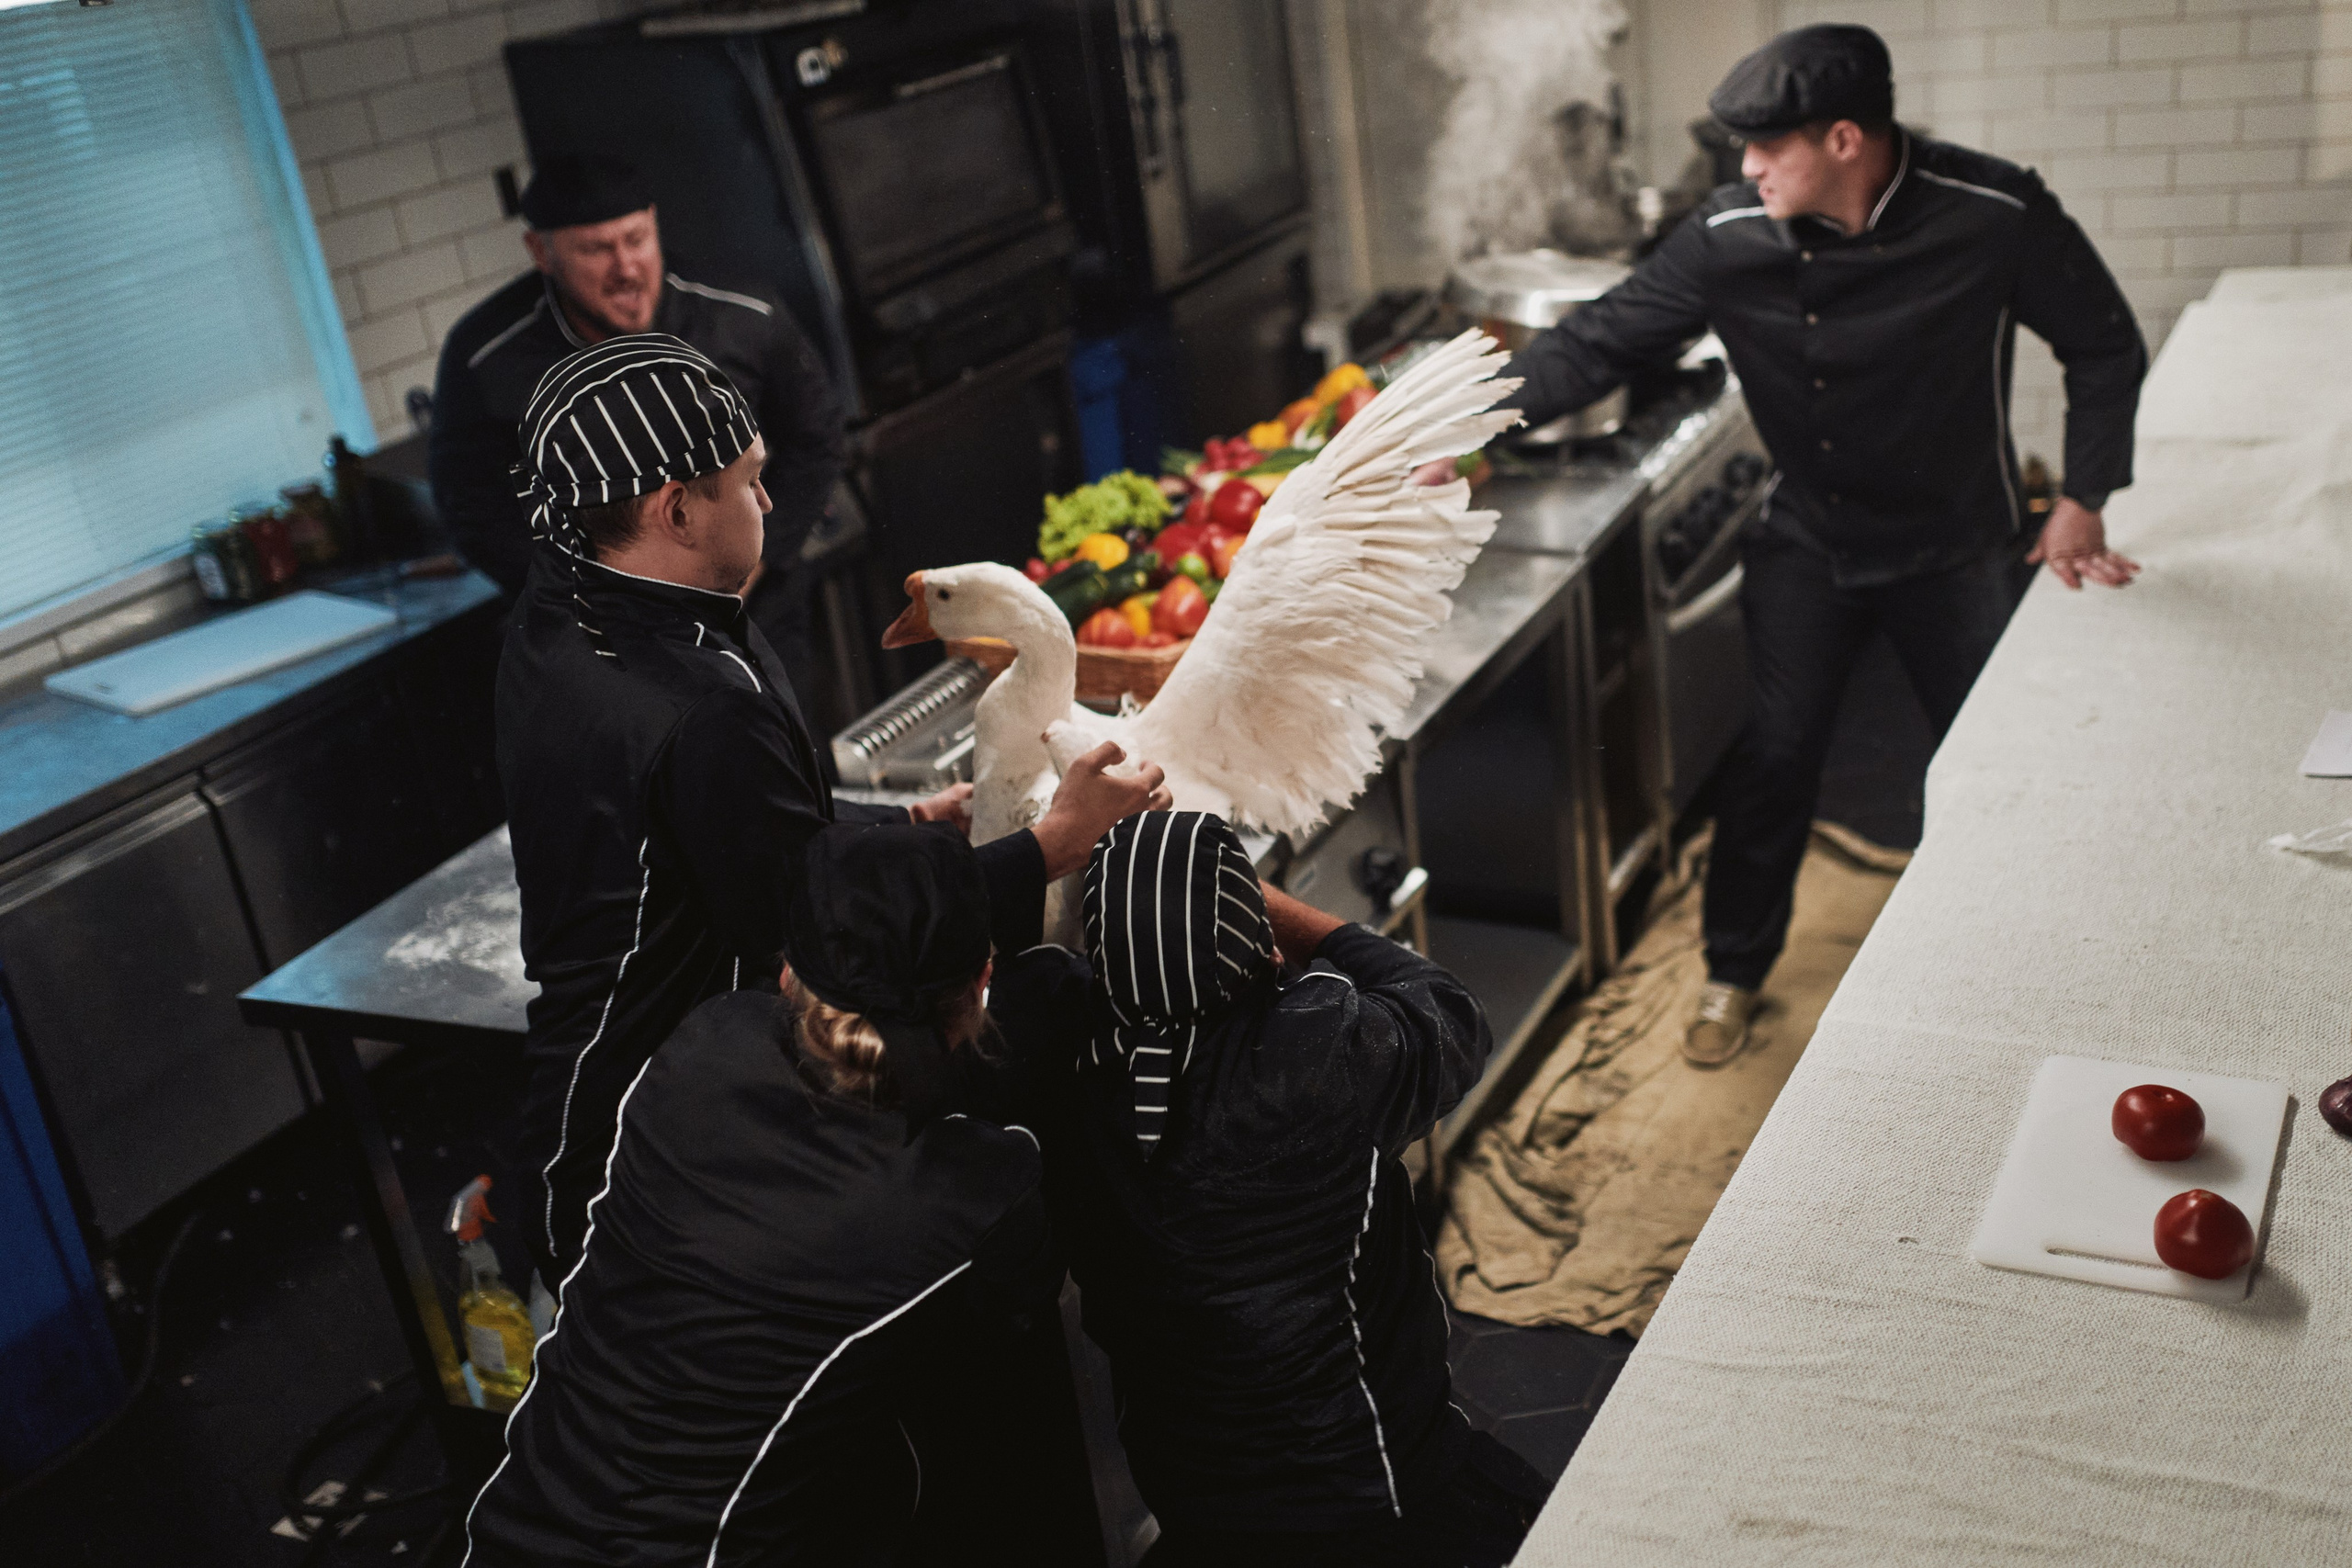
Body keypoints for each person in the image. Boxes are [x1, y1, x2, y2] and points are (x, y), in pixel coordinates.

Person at [1487, 25, 2149, 1065]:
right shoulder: (1728, 233)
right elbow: (1597, 341)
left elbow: (2103, 344)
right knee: (1776, 755)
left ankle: (2024, 967)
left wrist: (2083, 498)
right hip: (1812, 536)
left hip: (1958, 545)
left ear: (1845, 139)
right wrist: (1461, 426)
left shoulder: (1992, 211)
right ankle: (1733, 971)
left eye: (1767, 146)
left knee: (1991, 764)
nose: (1747, 168)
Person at [498, 333, 1168, 1292]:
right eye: (749, 480)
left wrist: (903, 826)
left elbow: (746, 839)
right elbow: (832, 929)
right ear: (675, 508)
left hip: (595, 1109)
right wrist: (1052, 845)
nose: (771, 502)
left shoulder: (565, 610)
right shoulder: (698, 704)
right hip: (657, 1139)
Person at [463, 821, 1091, 1566]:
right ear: (984, 979)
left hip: (508, 1531)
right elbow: (1017, 1300)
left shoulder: (703, 1042)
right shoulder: (975, 1192)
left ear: (790, 972)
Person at [994, 812, 1549, 1567]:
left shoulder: (1057, 1055)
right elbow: (1446, 1007)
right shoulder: (1322, 1047)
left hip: (1199, 1509)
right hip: (1376, 1496)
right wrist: (1271, 901)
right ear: (1257, 942)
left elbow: (1029, 980)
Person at [429, 153, 843, 691]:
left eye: (637, 239)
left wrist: (753, 564)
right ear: (541, 252)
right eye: (596, 249)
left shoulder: (744, 312)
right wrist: (594, 598)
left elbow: (817, 437)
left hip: (756, 618)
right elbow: (472, 505)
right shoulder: (485, 358)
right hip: (607, 648)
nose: (625, 268)